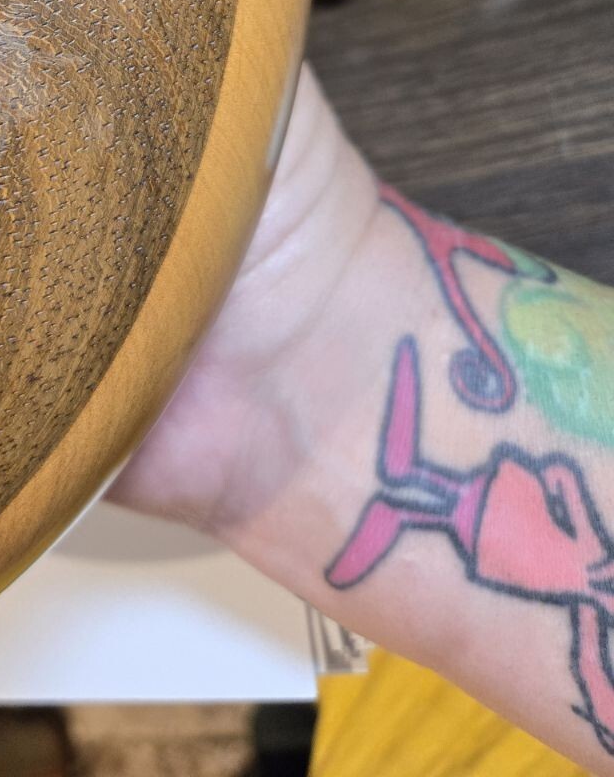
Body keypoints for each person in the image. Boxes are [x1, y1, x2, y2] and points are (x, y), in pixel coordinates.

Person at [113, 65, 614, 769]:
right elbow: (559, 475)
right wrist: (336, 316)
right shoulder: (588, 561)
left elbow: (591, 659)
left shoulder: (586, 602)